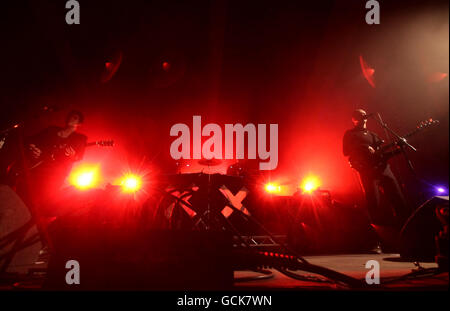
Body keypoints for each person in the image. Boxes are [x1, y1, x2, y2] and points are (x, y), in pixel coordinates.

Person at [343, 109, 411, 251]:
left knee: (399, 201)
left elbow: (384, 154)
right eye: (359, 116)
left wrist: (399, 147)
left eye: (364, 116)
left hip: (384, 170)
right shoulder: (350, 134)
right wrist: (363, 147)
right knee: (374, 204)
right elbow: (346, 152)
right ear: (353, 119)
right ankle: (375, 241)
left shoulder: (374, 136)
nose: (363, 118)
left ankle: (406, 237)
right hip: (368, 172)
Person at [16, 110, 87, 216]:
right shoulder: (51, 129)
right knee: (24, 195)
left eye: (75, 117)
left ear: (79, 123)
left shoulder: (80, 139)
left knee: (41, 200)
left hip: (55, 174)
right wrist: (33, 148)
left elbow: (78, 157)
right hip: (37, 168)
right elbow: (31, 140)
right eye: (70, 116)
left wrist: (73, 156)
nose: (70, 118)